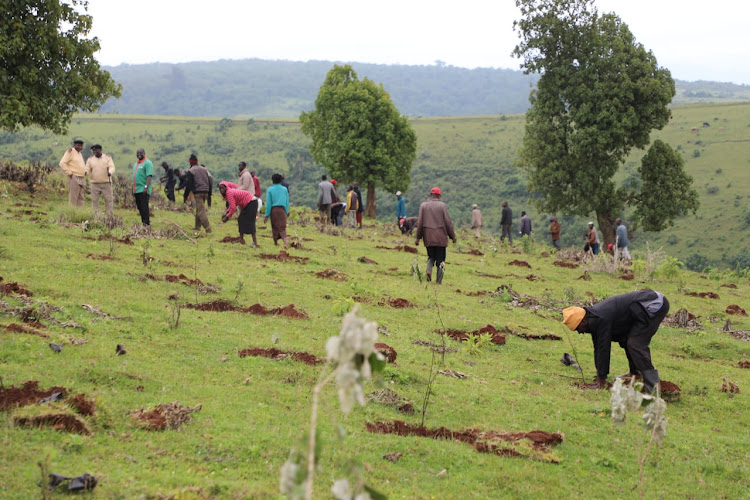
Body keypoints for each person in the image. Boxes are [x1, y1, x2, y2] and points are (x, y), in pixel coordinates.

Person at [562, 289, 670, 393]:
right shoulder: (593, 317)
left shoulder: (600, 318)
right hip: (638, 310)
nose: (580, 333)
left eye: (578, 328)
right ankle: (635, 373)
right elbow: (598, 347)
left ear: (583, 321)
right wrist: (600, 376)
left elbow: (604, 348)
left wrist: (601, 381)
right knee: (627, 340)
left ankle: (653, 385)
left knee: (635, 344)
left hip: (653, 305)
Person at [415, 187, 456, 284]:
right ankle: (439, 281)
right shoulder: (442, 206)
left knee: (431, 256)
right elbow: (448, 222)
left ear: (431, 194)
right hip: (441, 237)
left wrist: (418, 237)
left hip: (428, 236)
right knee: (441, 260)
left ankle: (429, 270)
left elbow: (420, 222)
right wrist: (452, 236)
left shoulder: (423, 206)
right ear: (439, 195)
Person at [219, 181, 258, 246]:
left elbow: (233, 208)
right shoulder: (228, 192)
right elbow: (232, 205)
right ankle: (241, 238)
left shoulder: (229, 193)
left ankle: (255, 242)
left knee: (250, 222)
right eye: (220, 189)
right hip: (247, 203)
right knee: (240, 219)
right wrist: (227, 212)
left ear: (226, 188)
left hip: (251, 202)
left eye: (223, 188)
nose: (221, 190)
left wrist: (227, 216)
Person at [85, 144, 115, 217]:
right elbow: (87, 169)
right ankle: (96, 216)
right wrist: (85, 172)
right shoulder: (90, 159)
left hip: (106, 183)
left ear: (100, 150)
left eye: (96, 150)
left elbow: (112, 167)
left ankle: (109, 216)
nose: (95, 152)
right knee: (94, 201)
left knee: (108, 200)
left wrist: (110, 172)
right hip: (95, 183)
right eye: (94, 150)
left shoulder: (107, 158)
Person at [186, 154, 213, 234]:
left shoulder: (191, 170)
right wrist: (209, 193)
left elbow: (189, 185)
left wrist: (185, 196)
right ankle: (197, 227)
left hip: (198, 192)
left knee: (201, 211)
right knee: (199, 208)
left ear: (190, 162)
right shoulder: (204, 169)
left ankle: (208, 229)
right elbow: (209, 181)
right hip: (206, 191)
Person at [265, 173, 290, 248]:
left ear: (272, 181)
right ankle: (285, 242)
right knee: (282, 227)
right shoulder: (284, 189)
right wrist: (287, 211)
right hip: (282, 210)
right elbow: (287, 201)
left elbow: (269, 204)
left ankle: (276, 243)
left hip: (274, 210)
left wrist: (267, 215)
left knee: (275, 227)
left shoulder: (270, 190)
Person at [59, 139, 86, 207]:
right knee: (73, 196)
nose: (80, 147)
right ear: (74, 145)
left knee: (81, 197)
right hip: (74, 176)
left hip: (81, 177)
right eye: (78, 145)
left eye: (81, 146)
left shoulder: (80, 154)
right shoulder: (70, 151)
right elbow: (62, 163)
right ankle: (72, 213)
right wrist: (69, 173)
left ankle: (79, 213)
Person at [132, 148, 154, 226]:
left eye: (141, 153)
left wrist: (146, 187)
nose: (139, 154)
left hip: (143, 189)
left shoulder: (148, 163)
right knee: (139, 207)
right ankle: (143, 222)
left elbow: (149, 175)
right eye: (138, 153)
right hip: (136, 190)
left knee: (144, 206)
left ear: (144, 153)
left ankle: (146, 224)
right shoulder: (136, 164)